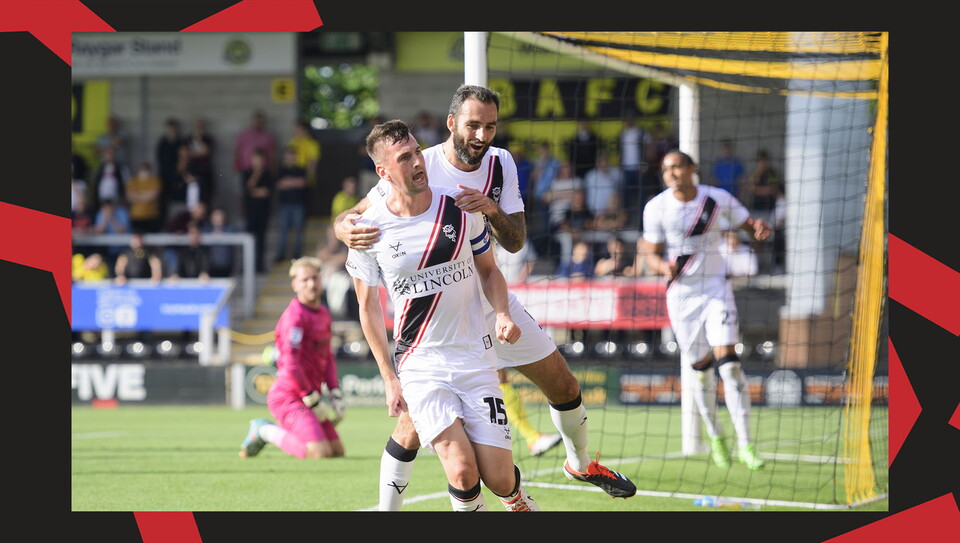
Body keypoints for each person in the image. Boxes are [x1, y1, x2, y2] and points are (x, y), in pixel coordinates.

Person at [334, 86, 636, 510]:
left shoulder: (500, 164)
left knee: (563, 383)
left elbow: (513, 243)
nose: (481, 135)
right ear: (452, 124)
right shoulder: (421, 165)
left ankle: (580, 463)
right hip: (435, 327)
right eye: (473, 125)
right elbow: (357, 217)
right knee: (413, 429)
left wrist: (490, 209)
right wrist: (340, 228)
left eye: (490, 126)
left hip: (493, 303)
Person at [345, 119, 538, 511]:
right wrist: (388, 378)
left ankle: (518, 501)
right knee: (463, 472)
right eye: (404, 157)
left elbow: (489, 271)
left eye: (418, 151)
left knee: (500, 478)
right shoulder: (368, 230)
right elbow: (367, 308)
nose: (418, 161)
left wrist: (502, 313)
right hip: (421, 363)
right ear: (383, 172)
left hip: (475, 356)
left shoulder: (461, 205)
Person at [640, 149, 770, 471]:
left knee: (729, 365)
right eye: (666, 168)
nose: (671, 173)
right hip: (681, 297)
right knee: (700, 372)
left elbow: (748, 225)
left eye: (677, 167)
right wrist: (662, 267)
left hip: (716, 289)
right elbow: (650, 254)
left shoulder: (717, 199)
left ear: (692, 169)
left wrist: (758, 229)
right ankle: (715, 436)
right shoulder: (656, 207)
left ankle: (747, 444)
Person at [240, 256, 346, 460]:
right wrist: (311, 396)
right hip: (289, 397)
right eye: (305, 280)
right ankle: (263, 430)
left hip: (310, 396)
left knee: (337, 451)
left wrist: (334, 393)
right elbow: (291, 363)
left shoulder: (323, 314)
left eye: (315, 278)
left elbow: (328, 357)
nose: (312, 284)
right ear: (294, 285)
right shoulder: (294, 317)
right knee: (319, 453)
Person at [745, 149, 783, 274]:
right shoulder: (755, 173)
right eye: (760, 161)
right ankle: (756, 266)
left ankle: (772, 267)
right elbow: (751, 188)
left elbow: (772, 189)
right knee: (755, 238)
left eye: (763, 160)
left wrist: (759, 190)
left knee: (770, 238)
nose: (762, 163)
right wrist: (759, 173)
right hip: (756, 210)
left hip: (769, 210)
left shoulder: (772, 173)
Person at [274, 146, 308, 263]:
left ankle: (297, 253)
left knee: (298, 229)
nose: (290, 158)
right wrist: (294, 182)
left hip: (298, 204)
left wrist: (288, 182)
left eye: (292, 156)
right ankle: (281, 254)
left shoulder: (301, 169)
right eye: (288, 156)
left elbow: (302, 183)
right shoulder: (281, 170)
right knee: (283, 230)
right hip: (285, 204)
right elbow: (279, 184)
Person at [242, 148, 273, 273]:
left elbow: (265, 192)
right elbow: (247, 189)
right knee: (249, 239)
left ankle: (259, 265)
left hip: (263, 211)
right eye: (255, 159)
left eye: (259, 160)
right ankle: (247, 266)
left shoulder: (267, 174)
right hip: (250, 212)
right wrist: (255, 174)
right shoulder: (247, 173)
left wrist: (253, 191)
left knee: (261, 240)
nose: (257, 162)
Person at [184, 116, 216, 208]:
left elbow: (206, 151)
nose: (199, 126)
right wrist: (199, 152)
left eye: (201, 124)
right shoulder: (188, 138)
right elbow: (186, 153)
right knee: (193, 196)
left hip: (205, 171)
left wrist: (195, 149)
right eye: (198, 124)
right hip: (192, 170)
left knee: (205, 197)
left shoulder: (207, 139)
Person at [155, 117, 183, 222]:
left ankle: (176, 222)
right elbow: (159, 158)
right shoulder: (163, 142)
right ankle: (163, 223)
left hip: (177, 175)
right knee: (163, 201)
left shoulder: (180, 142)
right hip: (164, 175)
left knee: (177, 201)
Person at [125, 161, 163, 234]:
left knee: (152, 240)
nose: (144, 172)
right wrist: (147, 195)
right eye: (142, 169)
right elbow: (129, 197)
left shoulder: (154, 180)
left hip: (151, 215)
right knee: (137, 239)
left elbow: (154, 195)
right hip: (136, 216)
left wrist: (137, 196)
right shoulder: (133, 181)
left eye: (146, 169)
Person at [203, 207, 237, 278]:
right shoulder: (206, 230)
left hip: (227, 265)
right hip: (211, 266)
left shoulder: (230, 229)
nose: (217, 218)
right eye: (215, 216)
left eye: (219, 215)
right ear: (211, 218)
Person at [288, 120, 320, 187]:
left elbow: (313, 162)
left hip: (305, 171)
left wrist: (308, 178)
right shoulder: (293, 141)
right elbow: (288, 159)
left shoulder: (312, 144)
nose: (296, 132)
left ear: (305, 130)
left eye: (299, 130)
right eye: (296, 130)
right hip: (293, 172)